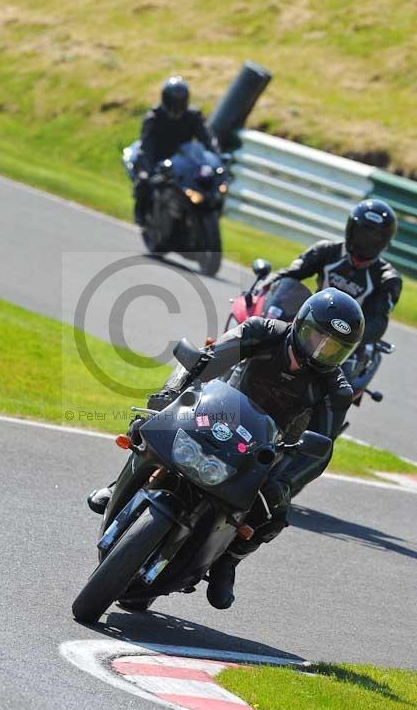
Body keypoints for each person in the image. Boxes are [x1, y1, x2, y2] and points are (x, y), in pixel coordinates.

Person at [89, 288, 365, 610]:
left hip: (269, 449)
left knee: (273, 512)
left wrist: (284, 481)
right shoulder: (261, 331)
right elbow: (207, 359)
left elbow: (321, 447)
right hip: (216, 414)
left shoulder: (336, 389)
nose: (320, 351)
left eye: (333, 349)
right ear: (300, 324)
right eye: (317, 337)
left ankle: (227, 563)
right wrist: (171, 393)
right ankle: (119, 483)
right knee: (150, 423)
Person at [262, 199, 402, 349]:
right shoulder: (326, 250)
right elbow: (291, 273)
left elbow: (378, 321)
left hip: (349, 337)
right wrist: (268, 284)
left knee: (346, 368)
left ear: (384, 241)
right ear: (350, 229)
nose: (364, 241)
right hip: (312, 319)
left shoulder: (387, 278)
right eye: (361, 233)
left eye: (372, 236)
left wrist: (354, 338)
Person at [133, 76, 220, 225]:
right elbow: (146, 144)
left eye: (180, 101)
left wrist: (216, 157)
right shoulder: (154, 117)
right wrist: (145, 170)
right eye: (173, 101)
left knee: (208, 183)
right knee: (143, 182)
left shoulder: (194, 115)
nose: (177, 105)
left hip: (184, 160)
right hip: (158, 159)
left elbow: (206, 139)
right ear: (165, 99)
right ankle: (141, 212)